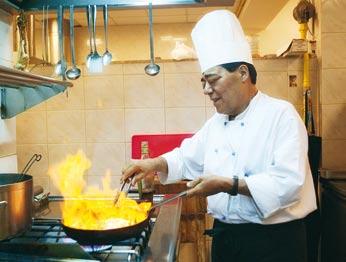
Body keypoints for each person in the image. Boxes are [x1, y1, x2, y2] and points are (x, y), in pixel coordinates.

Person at [122, 10, 316, 262]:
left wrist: (228, 184)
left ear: (243, 73)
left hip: (274, 244)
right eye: (203, 81)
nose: (206, 90)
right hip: (227, 240)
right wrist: (152, 163)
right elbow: (186, 156)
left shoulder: (281, 115)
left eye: (212, 80)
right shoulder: (217, 123)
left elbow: (288, 184)